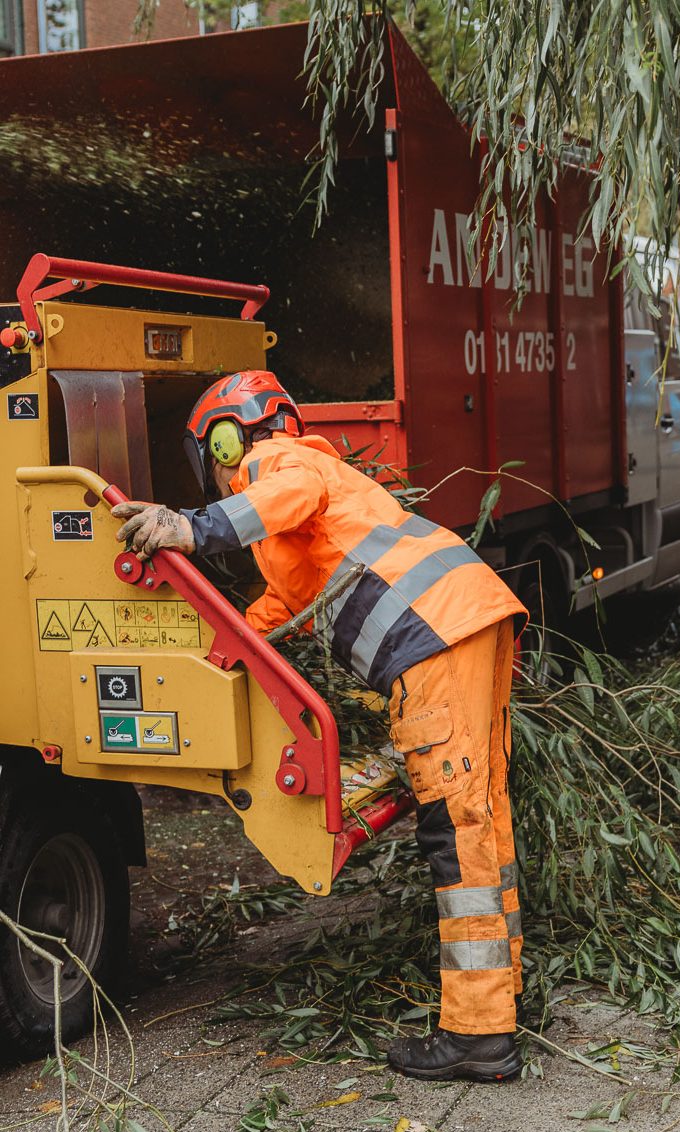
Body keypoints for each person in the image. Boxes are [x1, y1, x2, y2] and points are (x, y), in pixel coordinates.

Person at [113, 370, 528, 1082]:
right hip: (470, 623)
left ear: (224, 438)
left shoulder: (280, 461)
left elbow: (287, 493)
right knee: (481, 816)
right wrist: (209, 660)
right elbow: (278, 610)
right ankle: (500, 997)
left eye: (213, 457)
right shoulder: (304, 518)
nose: (220, 472)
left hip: (435, 641)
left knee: (457, 831)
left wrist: (192, 528)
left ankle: (479, 1032)